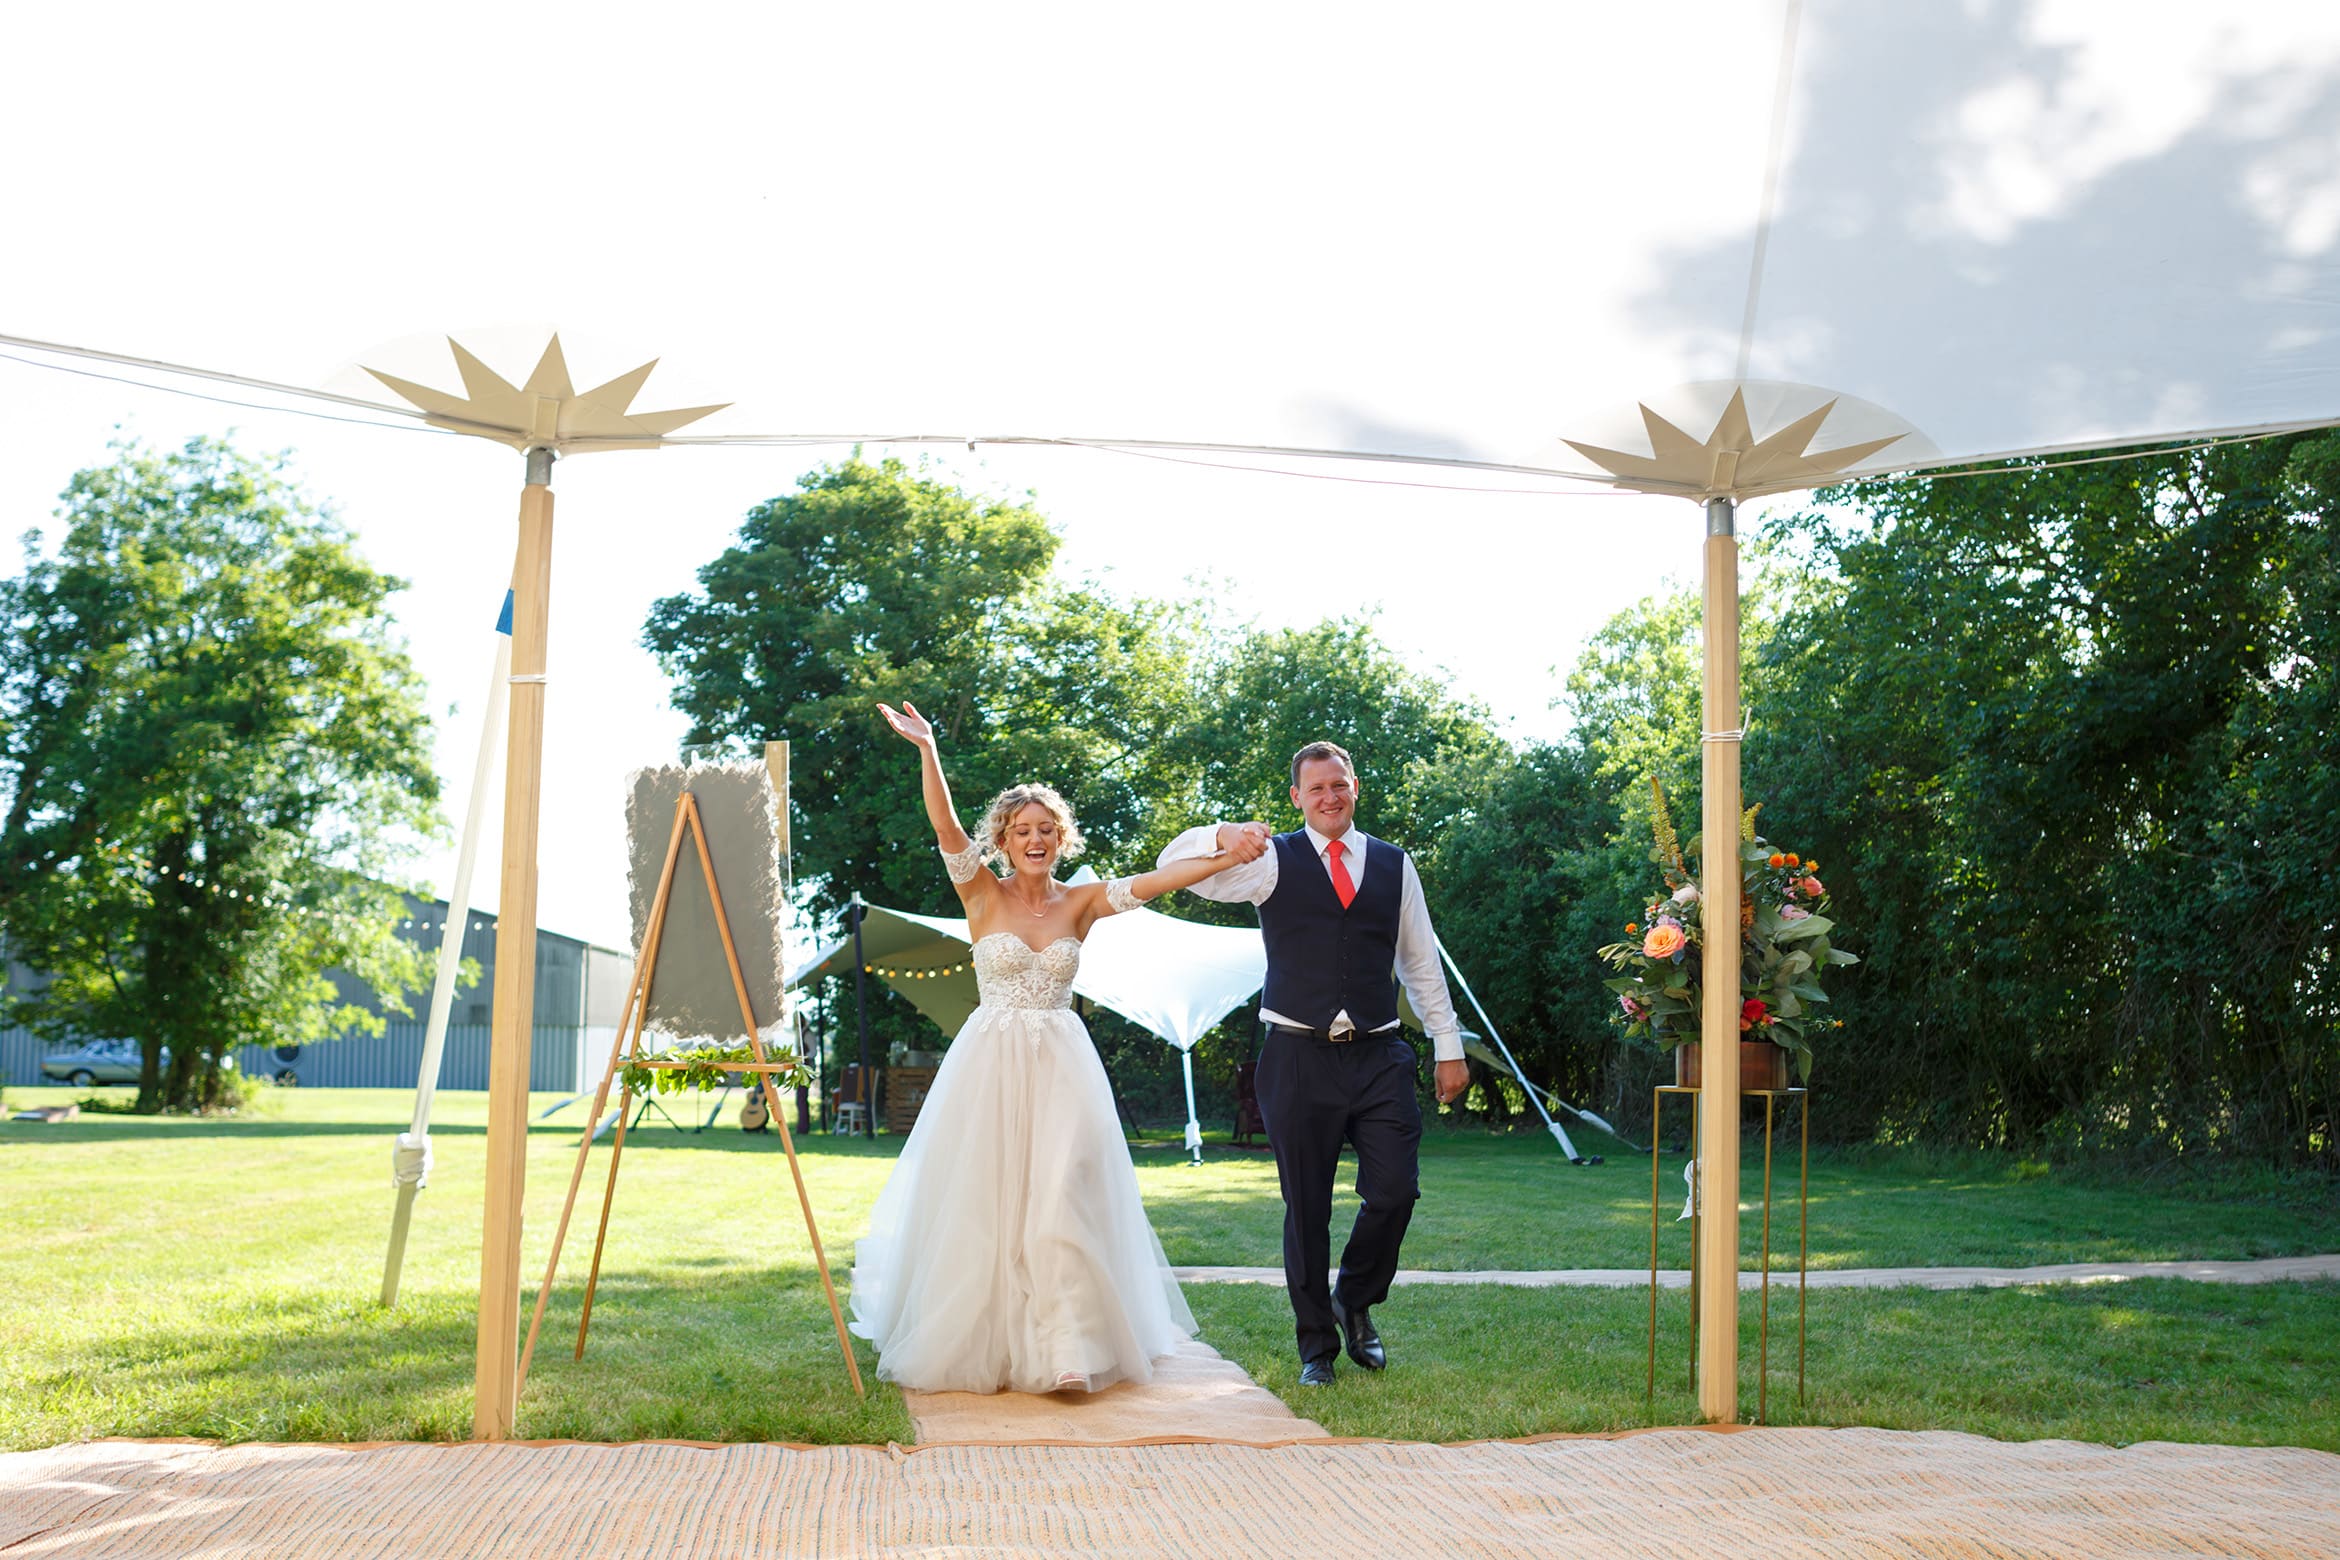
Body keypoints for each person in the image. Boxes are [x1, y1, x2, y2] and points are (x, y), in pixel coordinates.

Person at [849, 699, 1246, 1395]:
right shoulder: (978, 891)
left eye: (1045, 830)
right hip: (991, 1064)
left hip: (1063, 1065)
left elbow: (1153, 884)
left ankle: (1068, 1349)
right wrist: (928, 748)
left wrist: (1224, 856)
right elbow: (943, 824)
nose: (1034, 839)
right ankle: (989, 1340)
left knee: (1063, 1197)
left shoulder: (1082, 901)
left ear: (1060, 838)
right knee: (990, 1202)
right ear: (1001, 840)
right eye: (1021, 830)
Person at [1158, 740, 1468, 1386]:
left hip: (1380, 1054)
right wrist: (1223, 832)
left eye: (1339, 785)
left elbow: (1418, 962)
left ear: (1355, 788)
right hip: (1296, 1055)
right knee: (1307, 1208)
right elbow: (1172, 863)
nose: (1330, 797)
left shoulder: (1392, 864)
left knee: (1395, 1192)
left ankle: (1353, 1299)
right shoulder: (1269, 859)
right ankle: (1316, 1350)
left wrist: (1448, 1045)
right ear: (1297, 798)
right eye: (1316, 789)